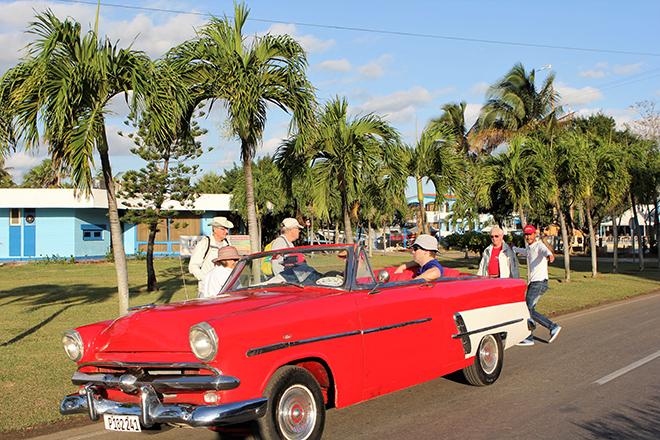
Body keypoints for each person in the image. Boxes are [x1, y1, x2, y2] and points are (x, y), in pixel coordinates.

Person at [513, 225, 561, 346]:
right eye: (526, 234)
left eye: (530, 234)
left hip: (539, 282)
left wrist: (550, 255)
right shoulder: (529, 247)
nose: (528, 236)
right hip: (533, 283)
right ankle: (530, 336)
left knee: (527, 309)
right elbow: (525, 252)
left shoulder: (539, 245)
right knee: (528, 309)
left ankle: (551, 327)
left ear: (535, 234)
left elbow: (546, 252)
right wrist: (514, 249)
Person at [189, 216, 233, 293]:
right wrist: (206, 279)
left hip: (225, 288)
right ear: (214, 229)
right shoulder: (205, 243)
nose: (226, 232)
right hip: (207, 290)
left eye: (227, 229)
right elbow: (193, 266)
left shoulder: (228, 244)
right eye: (223, 229)